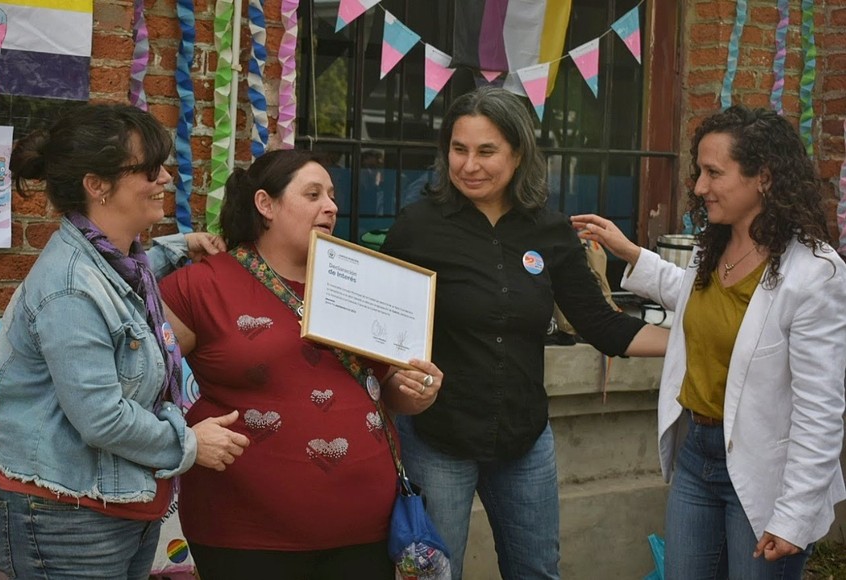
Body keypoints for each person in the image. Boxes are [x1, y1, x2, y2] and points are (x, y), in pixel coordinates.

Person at [379, 86, 668, 579]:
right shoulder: (417, 227)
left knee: (537, 571)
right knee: (432, 575)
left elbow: (602, 324)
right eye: (459, 149)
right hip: (438, 436)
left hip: (524, 438)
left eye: (486, 151)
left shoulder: (550, 231)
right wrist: (393, 382)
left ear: (517, 154)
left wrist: (693, 341)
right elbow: (380, 327)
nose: (469, 165)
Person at [572, 105, 846, 579]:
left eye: (713, 172)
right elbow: (702, 302)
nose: (699, 186)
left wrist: (795, 515)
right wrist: (632, 254)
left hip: (764, 473)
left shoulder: (814, 274)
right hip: (697, 454)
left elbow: (820, 411)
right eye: (699, 171)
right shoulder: (715, 244)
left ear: (763, 177)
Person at [0, 104, 250, 579]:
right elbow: (102, 417)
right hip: (69, 519)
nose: (166, 178)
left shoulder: (119, 259)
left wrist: (181, 247)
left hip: (112, 507)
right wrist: (189, 443)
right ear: (97, 185)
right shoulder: (70, 287)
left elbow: (134, 279)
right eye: (149, 169)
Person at [159, 149, 445, 579]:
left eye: (331, 196)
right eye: (312, 194)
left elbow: (388, 392)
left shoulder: (362, 282)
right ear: (265, 204)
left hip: (366, 532)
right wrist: (179, 437)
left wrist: (415, 391)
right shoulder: (202, 285)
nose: (330, 206)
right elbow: (136, 379)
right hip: (246, 536)